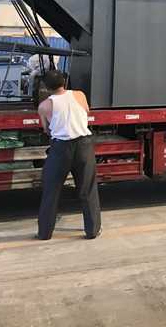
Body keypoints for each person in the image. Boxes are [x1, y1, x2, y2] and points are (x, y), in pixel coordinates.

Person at [36, 70, 101, 241]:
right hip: (84, 146)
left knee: (51, 191)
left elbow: (46, 128)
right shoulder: (79, 95)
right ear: (64, 82)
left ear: (46, 87)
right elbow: (86, 112)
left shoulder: (44, 106)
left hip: (60, 149)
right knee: (87, 189)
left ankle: (44, 233)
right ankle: (92, 230)